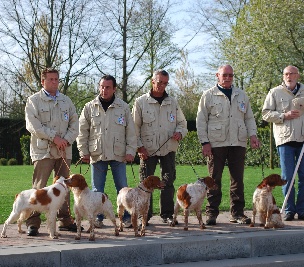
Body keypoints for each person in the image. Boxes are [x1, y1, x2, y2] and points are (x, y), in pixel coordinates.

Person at [196, 64, 260, 226]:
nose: (228, 78)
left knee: (237, 180)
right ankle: (211, 213)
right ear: (217, 76)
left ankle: (237, 213)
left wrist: (253, 135)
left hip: (238, 142)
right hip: (216, 143)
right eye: (225, 75)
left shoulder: (241, 95)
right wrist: (205, 142)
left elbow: (249, 118)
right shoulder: (208, 95)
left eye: (231, 75)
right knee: (213, 180)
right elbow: (201, 120)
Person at [262, 65, 304, 222]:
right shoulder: (274, 92)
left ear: (298, 75)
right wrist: (283, 115)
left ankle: (302, 210)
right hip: (285, 140)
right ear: (283, 76)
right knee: (287, 176)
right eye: (286, 74)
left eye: (292, 74)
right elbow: (265, 114)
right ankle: (289, 209)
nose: (289, 76)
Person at [76, 74, 137, 228]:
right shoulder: (89, 107)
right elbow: (82, 131)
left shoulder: (123, 107)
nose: (104, 90)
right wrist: (83, 151)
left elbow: (131, 132)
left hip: (119, 153)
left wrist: (131, 151)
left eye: (108, 87)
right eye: (102, 86)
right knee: (97, 190)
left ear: (114, 89)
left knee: (123, 188)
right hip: (97, 154)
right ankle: (98, 218)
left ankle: (127, 217)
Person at [25, 68, 79, 236]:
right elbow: (32, 125)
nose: (54, 82)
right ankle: (33, 223)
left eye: (56, 79)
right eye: (50, 79)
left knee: (65, 186)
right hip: (43, 151)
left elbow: (75, 124)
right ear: (43, 82)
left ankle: (65, 220)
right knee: (39, 188)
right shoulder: (33, 101)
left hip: (64, 151)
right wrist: (54, 138)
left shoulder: (66, 101)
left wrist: (67, 140)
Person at [132, 69, 188, 226]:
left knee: (168, 182)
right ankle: (145, 216)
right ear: (152, 81)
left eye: (165, 83)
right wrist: (139, 147)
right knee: (145, 184)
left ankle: (167, 214)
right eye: (159, 82)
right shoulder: (140, 102)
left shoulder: (173, 102)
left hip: (168, 148)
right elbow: (134, 128)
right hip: (147, 150)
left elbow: (182, 124)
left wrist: (179, 132)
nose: (162, 86)